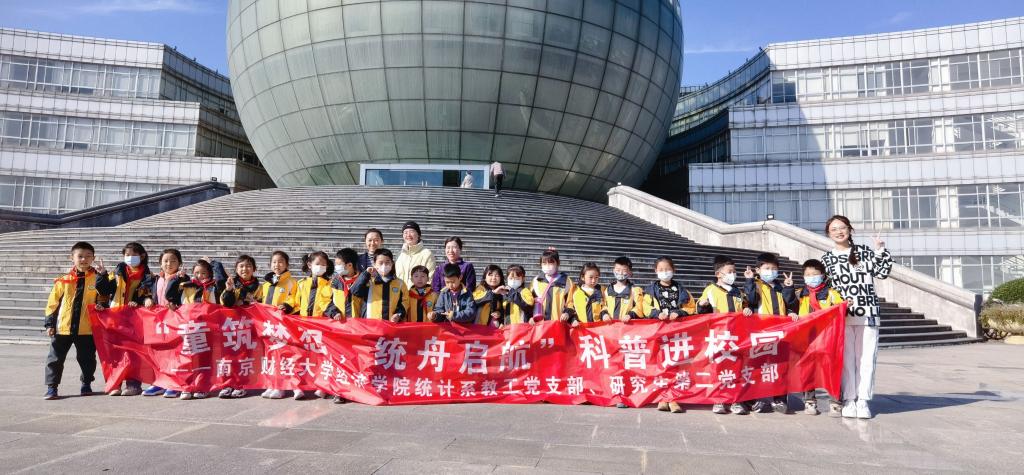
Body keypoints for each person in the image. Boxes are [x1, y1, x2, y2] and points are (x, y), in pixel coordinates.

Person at [821, 215, 893, 420]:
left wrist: (880, 249)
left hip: (868, 314)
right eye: (834, 229)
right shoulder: (826, 259)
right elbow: (826, 289)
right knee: (846, 360)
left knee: (866, 359)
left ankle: (863, 400)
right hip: (842, 317)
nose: (839, 232)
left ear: (849, 229)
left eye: (842, 227)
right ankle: (849, 399)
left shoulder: (864, 252)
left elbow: (882, 272)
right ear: (829, 234)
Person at [43, 241, 110, 400]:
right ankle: (52, 387)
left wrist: (104, 277)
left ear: (93, 258)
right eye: (80, 256)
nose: (84, 259)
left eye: (88, 256)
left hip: (87, 329)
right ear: (71, 257)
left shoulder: (98, 278)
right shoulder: (63, 281)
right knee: (55, 359)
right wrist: (50, 324)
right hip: (63, 328)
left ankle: (86, 384)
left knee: (87, 360)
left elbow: (105, 296)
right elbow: (52, 304)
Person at [782, 259, 846, 416]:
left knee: (831, 370)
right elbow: (790, 304)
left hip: (827, 338)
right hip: (807, 338)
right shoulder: (800, 293)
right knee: (808, 370)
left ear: (822, 275)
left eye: (815, 274)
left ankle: (835, 402)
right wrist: (788, 288)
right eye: (808, 275)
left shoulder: (831, 293)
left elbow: (841, 309)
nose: (811, 277)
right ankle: (810, 402)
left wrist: (846, 306)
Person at [697, 255, 753, 415]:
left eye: (734, 271)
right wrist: (703, 305)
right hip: (718, 335)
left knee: (737, 366)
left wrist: (746, 310)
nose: (733, 274)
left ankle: (736, 399)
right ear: (718, 274)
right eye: (729, 271)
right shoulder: (710, 290)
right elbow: (700, 308)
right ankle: (719, 399)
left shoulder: (737, 292)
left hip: (736, 335)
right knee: (718, 366)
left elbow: (745, 306)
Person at [743, 252, 798, 414]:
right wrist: (749, 281)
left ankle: (779, 398)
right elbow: (751, 300)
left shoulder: (781, 287)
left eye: (774, 269)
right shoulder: (755, 285)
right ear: (758, 270)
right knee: (757, 365)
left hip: (780, 333)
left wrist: (789, 289)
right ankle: (755, 398)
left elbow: (791, 304)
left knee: (780, 366)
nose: (771, 271)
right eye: (767, 268)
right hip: (760, 332)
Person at [103, 241, 154, 397]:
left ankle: (133, 385)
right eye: (127, 255)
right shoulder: (117, 273)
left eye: (134, 254)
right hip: (116, 316)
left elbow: (148, 295)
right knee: (114, 353)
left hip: (134, 319)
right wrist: (102, 275)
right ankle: (115, 384)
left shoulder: (148, 276)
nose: (130, 257)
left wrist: (139, 302)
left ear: (142, 256)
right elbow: (104, 290)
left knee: (134, 352)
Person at [141, 248, 188, 397]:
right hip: (158, 321)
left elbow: (187, 299)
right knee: (158, 353)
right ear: (160, 263)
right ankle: (159, 382)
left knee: (175, 353)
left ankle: (175, 383)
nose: (169, 264)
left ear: (179, 263)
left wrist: (176, 305)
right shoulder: (156, 279)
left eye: (173, 260)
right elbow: (148, 294)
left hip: (176, 320)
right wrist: (147, 300)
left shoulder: (183, 279)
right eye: (166, 261)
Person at [217, 254, 261, 399]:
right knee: (228, 356)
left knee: (245, 357)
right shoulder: (231, 284)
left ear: (254, 269)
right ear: (236, 269)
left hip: (248, 327)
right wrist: (229, 290)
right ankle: (227, 384)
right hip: (231, 327)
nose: (245, 269)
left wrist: (250, 302)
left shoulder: (259, 286)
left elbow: (261, 305)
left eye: (248, 266)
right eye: (241, 266)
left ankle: (241, 385)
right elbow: (225, 303)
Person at [258, 251, 299, 400]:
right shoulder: (266, 284)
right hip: (268, 324)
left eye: (281, 261)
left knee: (282, 355)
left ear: (287, 264)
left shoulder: (292, 282)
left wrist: (287, 306)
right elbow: (259, 300)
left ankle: (282, 386)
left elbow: (295, 299)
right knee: (269, 355)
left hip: (283, 325)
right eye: (274, 262)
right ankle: (272, 384)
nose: (277, 265)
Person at [350, 248, 407, 322]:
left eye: (387, 262)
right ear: (374, 264)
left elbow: (405, 302)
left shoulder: (400, 284)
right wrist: (366, 274)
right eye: (380, 263)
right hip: (370, 324)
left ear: (392, 263)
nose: (384, 265)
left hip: (391, 324)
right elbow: (354, 291)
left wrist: (398, 314)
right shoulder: (368, 281)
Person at [530, 248, 575, 322]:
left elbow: (571, 302)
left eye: (551, 262)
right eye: (544, 263)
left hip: (558, 323)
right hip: (540, 324)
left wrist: (567, 313)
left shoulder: (566, 281)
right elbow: (530, 302)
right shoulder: (536, 281)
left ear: (558, 263)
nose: (547, 265)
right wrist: (531, 317)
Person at [325, 248, 365, 321]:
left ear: (349, 265)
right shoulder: (334, 282)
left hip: (357, 324)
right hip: (339, 324)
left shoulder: (363, 281)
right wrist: (334, 312)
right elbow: (325, 300)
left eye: (338, 264)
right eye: (335, 264)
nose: (336, 267)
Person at [604, 256, 645, 323]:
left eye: (624, 270)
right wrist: (604, 314)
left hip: (627, 327)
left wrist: (630, 315)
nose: (620, 273)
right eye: (618, 270)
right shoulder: (607, 290)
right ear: (613, 270)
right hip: (609, 326)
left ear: (630, 272)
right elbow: (603, 305)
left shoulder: (635, 290)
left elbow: (639, 307)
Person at [395, 221, 435, 285]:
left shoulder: (427, 254)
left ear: (418, 234)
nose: (408, 235)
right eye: (405, 232)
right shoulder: (400, 255)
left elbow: (430, 279)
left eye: (411, 231)